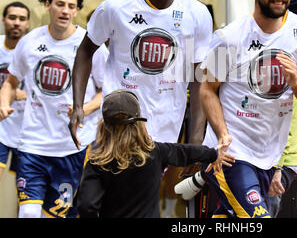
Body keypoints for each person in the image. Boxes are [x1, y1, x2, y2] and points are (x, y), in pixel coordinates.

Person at [68, 0, 213, 217]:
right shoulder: (116, 6)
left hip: (163, 125)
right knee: (96, 201)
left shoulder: (197, 14)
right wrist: (78, 105)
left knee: (141, 202)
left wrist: (196, 139)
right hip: (117, 124)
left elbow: (198, 78)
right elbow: (85, 50)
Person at [199, 0, 297, 218]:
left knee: (232, 216)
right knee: (257, 217)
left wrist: (296, 82)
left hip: (270, 155)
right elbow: (207, 89)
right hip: (233, 155)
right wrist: (221, 136)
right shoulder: (228, 37)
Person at [0, 0, 108, 218]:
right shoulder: (30, 42)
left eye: (71, 6)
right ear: (47, 5)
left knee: (58, 215)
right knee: (28, 214)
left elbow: (106, 89)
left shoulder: (90, 45)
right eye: (59, 4)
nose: (65, 11)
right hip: (32, 144)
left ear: (77, 11)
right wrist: (4, 105)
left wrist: (84, 110)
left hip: (71, 148)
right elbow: (10, 83)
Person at [76, 89, 234, 218]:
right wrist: (214, 154)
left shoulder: (98, 163)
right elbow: (187, 152)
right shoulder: (155, 152)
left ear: (104, 126)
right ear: (138, 123)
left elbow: (86, 206)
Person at [0, 1, 30, 218]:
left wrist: (26, 93)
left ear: (27, 23)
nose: (16, 23)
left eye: (21, 19)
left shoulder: (32, 49)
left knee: (23, 195)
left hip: (26, 133)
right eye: (12, 17)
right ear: (4, 20)